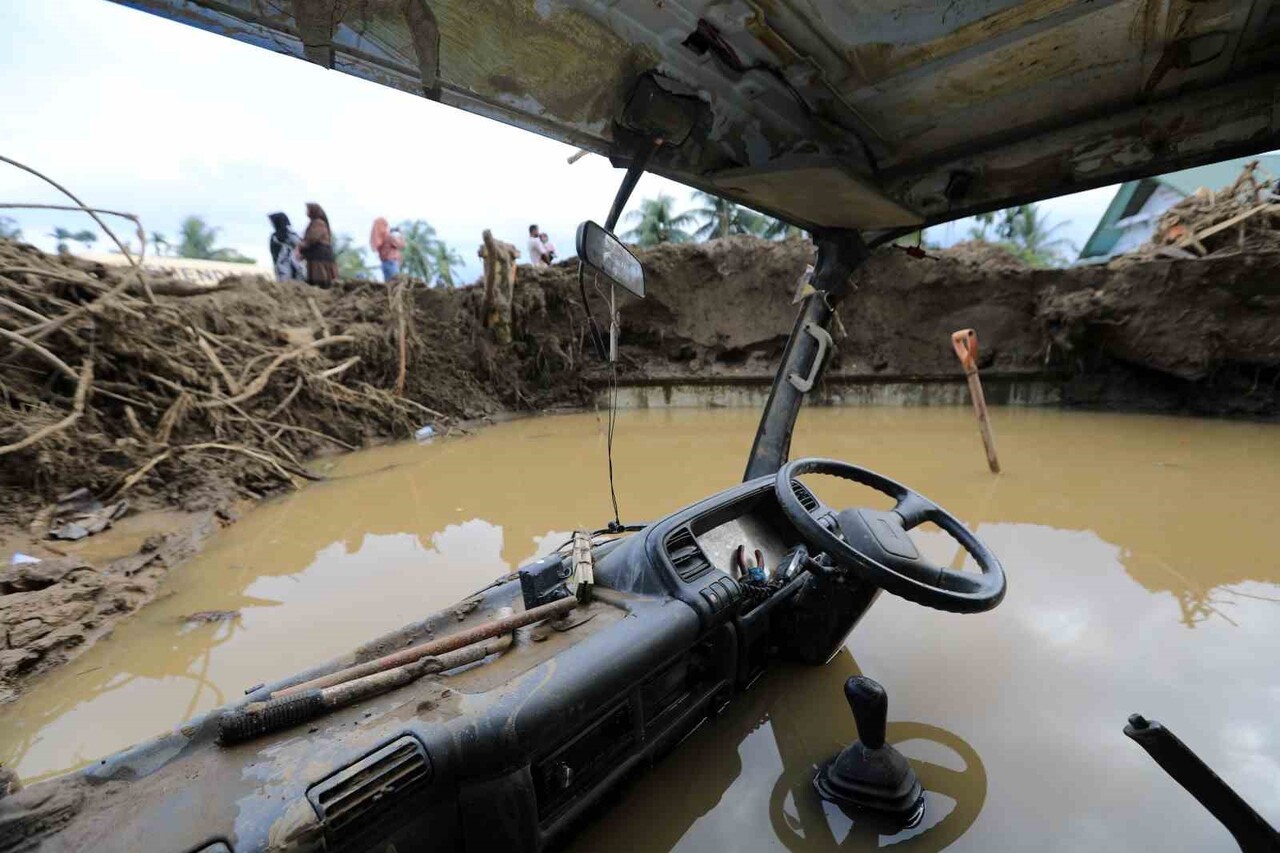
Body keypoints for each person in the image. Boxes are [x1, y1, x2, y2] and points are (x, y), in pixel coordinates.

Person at [298, 203, 338, 288]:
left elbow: (312, 238)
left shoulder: (318, 223)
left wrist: (300, 246)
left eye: (308, 210)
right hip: (317, 256)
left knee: (321, 281)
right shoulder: (314, 223)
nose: (306, 212)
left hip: (320, 256)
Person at [267, 212, 306, 282]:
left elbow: (301, 244)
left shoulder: (278, 236)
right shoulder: (285, 234)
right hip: (284, 265)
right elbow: (301, 243)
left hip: (287, 265)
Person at [370, 217, 405, 282]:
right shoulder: (389, 237)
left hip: (384, 264)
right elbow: (402, 245)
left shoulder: (380, 239)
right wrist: (401, 233)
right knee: (396, 285)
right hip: (391, 264)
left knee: (389, 286)